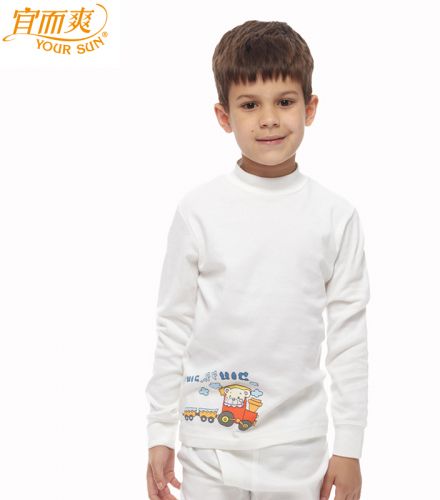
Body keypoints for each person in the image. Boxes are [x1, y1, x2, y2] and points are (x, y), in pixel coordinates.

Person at [145, 19, 370, 500]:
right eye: (250, 105)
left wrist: (349, 447)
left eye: (284, 102)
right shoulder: (198, 210)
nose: (269, 119)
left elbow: (348, 336)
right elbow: (174, 324)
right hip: (209, 440)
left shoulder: (336, 216)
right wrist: (160, 431)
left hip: (298, 446)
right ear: (224, 116)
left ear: (310, 108)